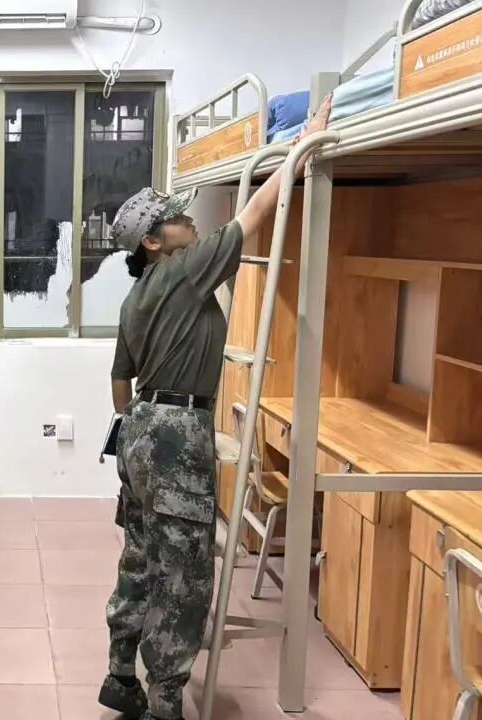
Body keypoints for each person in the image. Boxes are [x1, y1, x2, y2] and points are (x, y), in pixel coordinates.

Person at [100, 96, 333, 720]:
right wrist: (301, 146)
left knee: (141, 554)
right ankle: (165, 698)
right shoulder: (184, 269)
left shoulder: (134, 298)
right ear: (155, 241)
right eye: (178, 217)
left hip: (139, 425)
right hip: (178, 429)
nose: (190, 221)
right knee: (184, 571)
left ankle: (121, 672)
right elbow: (254, 213)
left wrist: (132, 428)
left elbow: (120, 381)